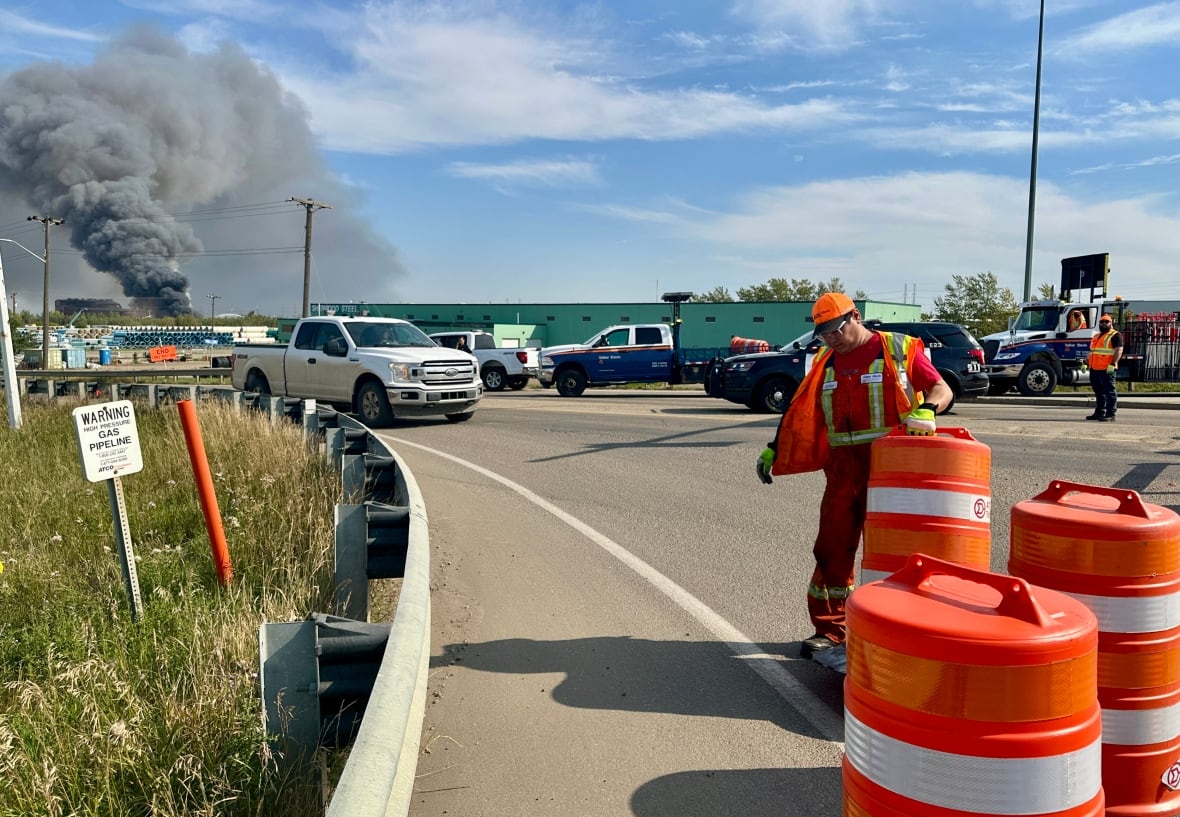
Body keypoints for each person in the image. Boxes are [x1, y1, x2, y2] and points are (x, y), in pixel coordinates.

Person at [754, 292, 952, 659]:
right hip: (843, 471)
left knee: (899, 555)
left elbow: (942, 388)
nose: (831, 338)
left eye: (836, 329)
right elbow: (802, 411)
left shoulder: (897, 348)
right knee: (831, 550)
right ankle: (831, 630)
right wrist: (776, 446)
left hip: (893, 469)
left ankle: (905, 631)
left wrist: (927, 410)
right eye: (824, 334)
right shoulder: (825, 363)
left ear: (856, 316)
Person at [1087, 313, 1122, 422]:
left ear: (1111, 323)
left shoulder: (1116, 335)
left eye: (1106, 322)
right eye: (1101, 322)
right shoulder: (1096, 336)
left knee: (1109, 392)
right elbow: (1092, 351)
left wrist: (1113, 363)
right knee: (1099, 392)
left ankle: (1111, 413)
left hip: (1107, 369)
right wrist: (1086, 362)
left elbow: (1118, 350)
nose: (1103, 324)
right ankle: (1099, 412)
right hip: (1095, 368)